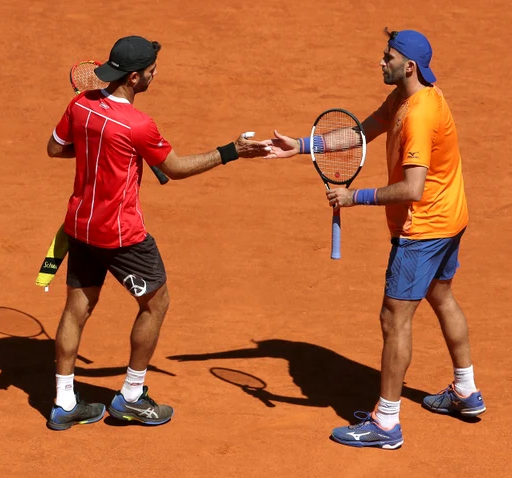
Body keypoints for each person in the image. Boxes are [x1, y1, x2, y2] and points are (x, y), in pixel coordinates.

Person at [264, 28, 485, 449]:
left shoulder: (420, 114)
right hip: (450, 217)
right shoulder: (406, 97)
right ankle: (465, 391)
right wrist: (301, 146)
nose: (380, 63)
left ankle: (386, 424)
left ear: (409, 66)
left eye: (388, 58)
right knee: (442, 295)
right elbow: (360, 132)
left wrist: (354, 197)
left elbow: (412, 189)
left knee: (393, 318)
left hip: (422, 228)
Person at [44, 35, 270, 431]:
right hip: (121, 235)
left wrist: (103, 152)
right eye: (151, 71)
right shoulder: (138, 125)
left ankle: (64, 402)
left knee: (76, 310)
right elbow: (177, 167)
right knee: (156, 302)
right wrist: (232, 151)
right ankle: (131, 396)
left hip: (79, 225)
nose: (154, 75)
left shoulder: (80, 105)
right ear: (134, 78)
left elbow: (56, 148)